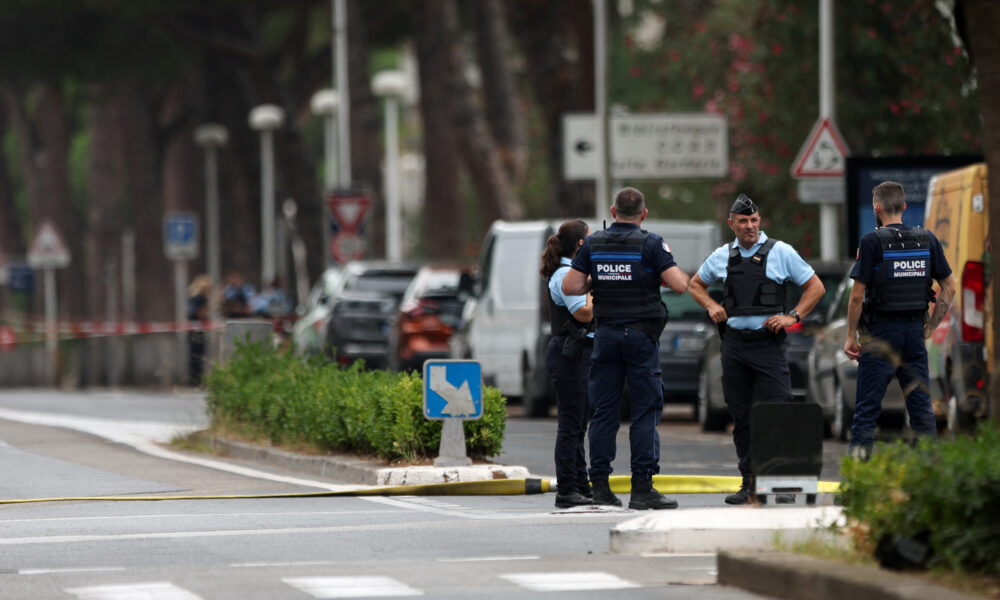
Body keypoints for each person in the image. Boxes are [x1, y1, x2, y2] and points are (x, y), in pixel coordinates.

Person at [687, 193, 825, 505]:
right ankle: (749, 482)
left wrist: (793, 316)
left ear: (759, 221)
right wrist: (711, 305)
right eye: (743, 221)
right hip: (735, 346)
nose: (749, 226)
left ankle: (780, 484)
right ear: (731, 224)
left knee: (777, 412)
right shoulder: (722, 255)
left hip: (768, 345)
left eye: (753, 220)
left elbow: (815, 287)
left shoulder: (781, 252)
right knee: (742, 415)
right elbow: (694, 284)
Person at [562, 187, 690, 510]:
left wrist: (598, 280)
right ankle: (642, 487)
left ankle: (601, 486)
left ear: (613, 210)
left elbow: (571, 286)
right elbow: (679, 284)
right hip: (641, 338)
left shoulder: (593, 243)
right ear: (643, 214)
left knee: (605, 411)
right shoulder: (651, 243)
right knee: (645, 410)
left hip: (605, 336)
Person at [843, 181, 954, 459]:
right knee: (921, 409)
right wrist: (929, 327)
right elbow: (949, 287)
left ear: (877, 208)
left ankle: (859, 478)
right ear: (904, 206)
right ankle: (930, 475)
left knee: (867, 410)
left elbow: (857, 297)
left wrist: (850, 337)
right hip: (914, 334)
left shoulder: (871, 242)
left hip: (880, 334)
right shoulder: (927, 239)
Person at [540, 219, 595, 509]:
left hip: (576, 354)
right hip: (569, 355)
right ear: (581, 245)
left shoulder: (570, 272)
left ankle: (580, 484)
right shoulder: (565, 274)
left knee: (578, 424)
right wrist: (592, 288)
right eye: (591, 240)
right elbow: (584, 314)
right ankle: (567, 489)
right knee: (571, 425)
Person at [187, 274, 212, 385]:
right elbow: (202, 314)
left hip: (192, 330)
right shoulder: (201, 299)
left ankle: (194, 379)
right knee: (198, 356)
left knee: (194, 356)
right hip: (198, 331)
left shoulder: (192, 298)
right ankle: (196, 380)